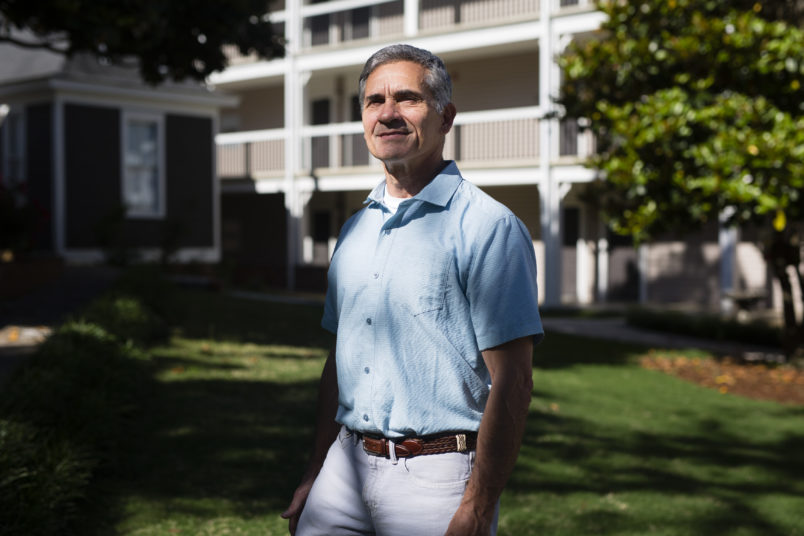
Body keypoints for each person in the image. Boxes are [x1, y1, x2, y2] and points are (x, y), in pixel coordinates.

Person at [281, 43, 543, 536]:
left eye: (407, 98)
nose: (388, 113)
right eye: (373, 101)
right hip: (344, 467)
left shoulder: (488, 228)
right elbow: (340, 358)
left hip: (437, 478)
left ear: (446, 117)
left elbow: (514, 383)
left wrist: (479, 507)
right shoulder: (355, 229)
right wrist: (315, 473)